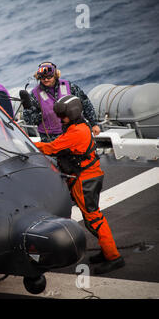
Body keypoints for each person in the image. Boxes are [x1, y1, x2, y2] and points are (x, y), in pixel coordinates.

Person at [35, 95, 125, 275]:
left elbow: (51, 147)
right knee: (92, 217)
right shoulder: (80, 126)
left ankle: (114, 257)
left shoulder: (77, 132)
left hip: (85, 180)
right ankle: (106, 251)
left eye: (63, 116)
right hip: (87, 176)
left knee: (94, 219)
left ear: (72, 114)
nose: (61, 119)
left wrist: (26, 144)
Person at [19, 61, 100, 142]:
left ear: (55, 75)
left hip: (75, 132)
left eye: (49, 77)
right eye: (43, 78)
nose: (46, 80)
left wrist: (94, 124)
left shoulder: (69, 86)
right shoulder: (34, 94)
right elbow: (29, 119)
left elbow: (85, 103)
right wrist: (43, 114)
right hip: (51, 138)